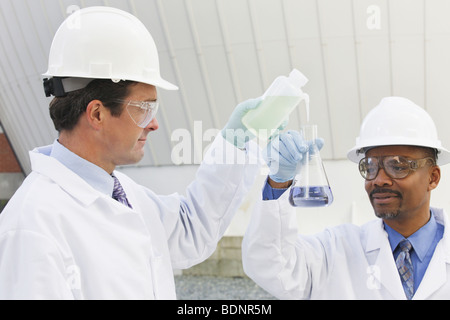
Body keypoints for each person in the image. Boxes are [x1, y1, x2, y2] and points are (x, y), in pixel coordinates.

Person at [0, 6, 266, 300]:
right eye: (143, 108)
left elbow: (191, 229)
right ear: (97, 114)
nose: (153, 124)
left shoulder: (123, 193)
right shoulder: (33, 226)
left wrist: (235, 143)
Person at [242, 96, 450, 299]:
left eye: (397, 166)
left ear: (433, 177)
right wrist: (279, 181)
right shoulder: (334, 252)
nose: (378, 180)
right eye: (369, 167)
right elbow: (270, 264)